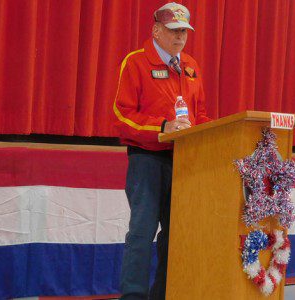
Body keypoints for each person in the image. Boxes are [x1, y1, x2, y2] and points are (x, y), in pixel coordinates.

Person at [112, 2, 211, 299]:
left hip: (185, 162)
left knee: (174, 236)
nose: (179, 36)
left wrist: (211, 134)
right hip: (147, 158)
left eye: (184, 31)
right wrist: (162, 127)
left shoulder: (191, 66)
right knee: (141, 235)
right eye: (173, 30)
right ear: (156, 30)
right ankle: (133, 297)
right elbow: (122, 115)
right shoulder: (136, 62)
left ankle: (165, 294)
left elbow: (201, 114)